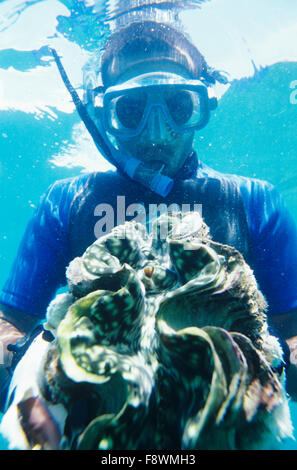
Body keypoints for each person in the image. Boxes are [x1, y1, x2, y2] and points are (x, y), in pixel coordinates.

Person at [1, 20, 297, 411]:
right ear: (105, 114)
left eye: (177, 107)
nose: (157, 133)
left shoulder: (255, 201)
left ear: (203, 106)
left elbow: (291, 330)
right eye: (132, 110)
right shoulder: (66, 201)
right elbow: (11, 323)